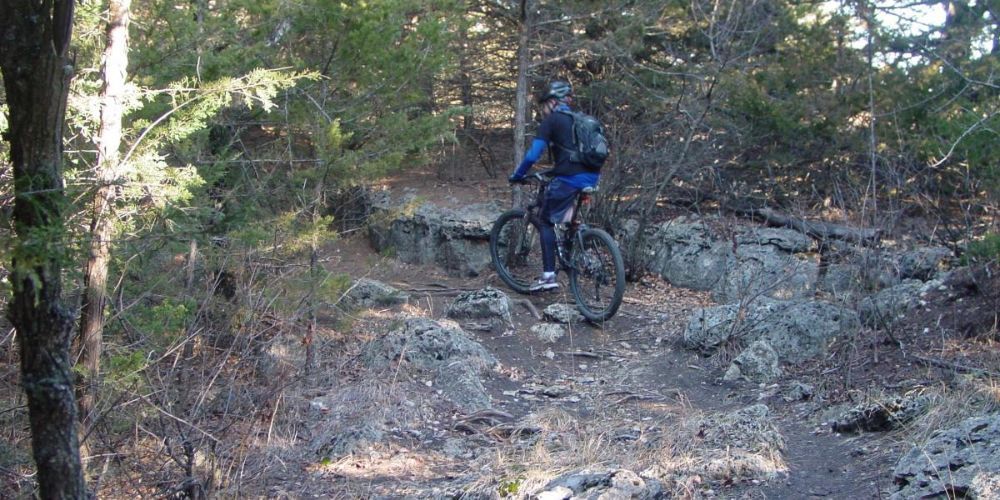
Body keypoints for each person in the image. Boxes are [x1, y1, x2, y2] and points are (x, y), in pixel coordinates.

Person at [508, 81, 600, 291]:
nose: (542, 111)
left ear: (552, 102)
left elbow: (533, 154)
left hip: (570, 178)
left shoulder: (552, 121)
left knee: (544, 220)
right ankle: (575, 242)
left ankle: (548, 276)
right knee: (565, 211)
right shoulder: (580, 120)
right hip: (592, 177)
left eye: (543, 106)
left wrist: (518, 175)